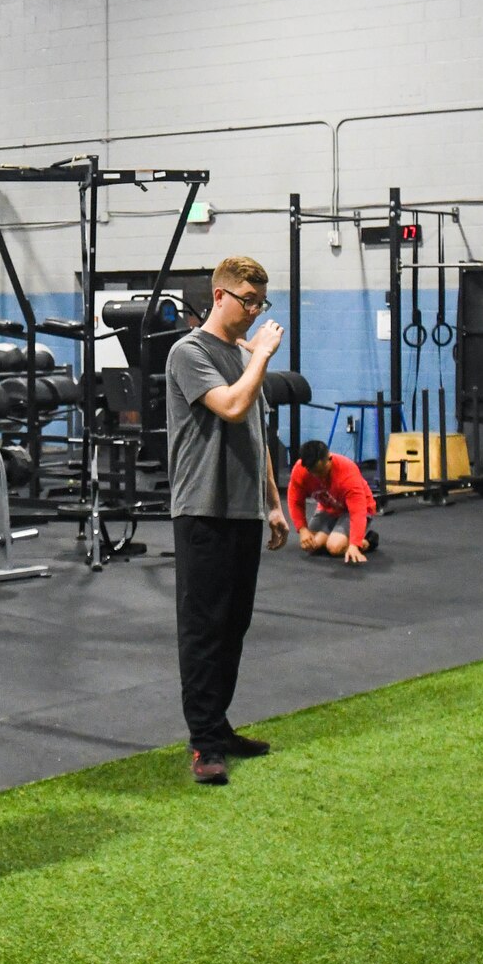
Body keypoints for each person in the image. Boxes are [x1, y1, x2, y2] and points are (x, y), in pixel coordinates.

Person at [166, 255, 290, 785]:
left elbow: (254, 432)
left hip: (243, 508)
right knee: (204, 629)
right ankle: (204, 743)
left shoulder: (244, 354)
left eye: (261, 303)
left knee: (234, 625)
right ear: (219, 296)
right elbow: (233, 408)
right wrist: (260, 355)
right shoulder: (189, 351)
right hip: (202, 507)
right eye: (247, 301)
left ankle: (218, 724)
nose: (254, 312)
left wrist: (274, 501)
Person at [289, 439, 378, 565]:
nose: (319, 477)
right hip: (329, 507)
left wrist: (354, 544)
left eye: (321, 471)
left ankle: (368, 540)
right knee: (311, 544)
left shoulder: (348, 472)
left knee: (334, 547)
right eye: (313, 472)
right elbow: (295, 501)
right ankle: (335, 536)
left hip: (356, 509)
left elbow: (357, 512)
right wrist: (302, 529)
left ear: (329, 458)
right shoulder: (300, 471)